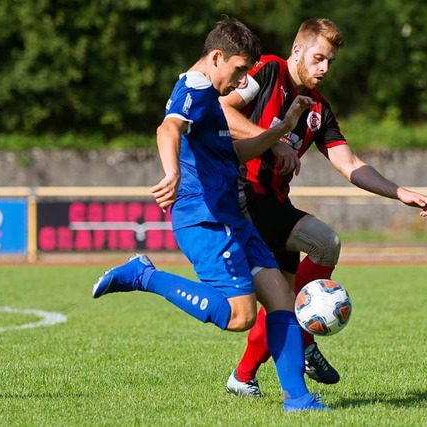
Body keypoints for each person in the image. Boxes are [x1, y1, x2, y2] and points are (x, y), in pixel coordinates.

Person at [91, 17, 328, 412]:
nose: (240, 83)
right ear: (217, 57)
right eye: (237, 71)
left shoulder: (213, 97)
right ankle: (144, 276)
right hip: (205, 219)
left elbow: (235, 153)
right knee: (239, 317)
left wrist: (281, 129)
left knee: (281, 298)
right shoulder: (195, 88)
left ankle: (299, 401)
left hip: (234, 216)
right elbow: (167, 129)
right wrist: (172, 171)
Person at [220, 18, 427, 397]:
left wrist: (399, 192)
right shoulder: (266, 69)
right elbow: (223, 110)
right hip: (241, 194)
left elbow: (349, 165)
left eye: (330, 62)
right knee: (324, 241)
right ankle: (304, 343)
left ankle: (243, 376)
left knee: (281, 303)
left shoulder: (319, 109)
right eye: (318, 58)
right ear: (297, 50)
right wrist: (273, 140)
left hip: (273, 201)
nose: (324, 68)